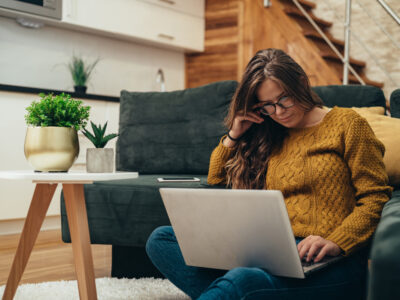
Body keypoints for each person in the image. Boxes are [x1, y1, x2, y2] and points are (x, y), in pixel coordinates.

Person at [145, 48, 392, 300]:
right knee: (161, 239)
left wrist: (337, 241)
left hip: (331, 261)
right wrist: (234, 135)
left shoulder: (349, 124)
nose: (279, 112)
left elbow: (376, 198)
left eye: (284, 99)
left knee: (241, 281)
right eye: (267, 106)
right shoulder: (270, 133)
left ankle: (240, 289)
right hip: (275, 253)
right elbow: (216, 179)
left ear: (302, 83)